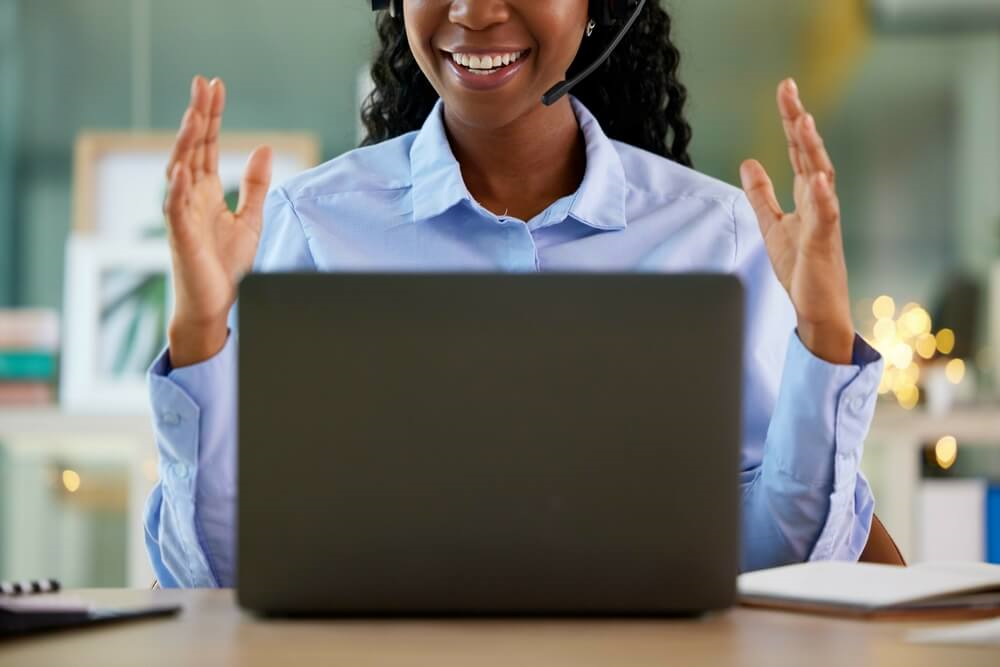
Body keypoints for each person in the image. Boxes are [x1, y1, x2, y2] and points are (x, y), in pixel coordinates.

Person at [144, 0, 883, 588]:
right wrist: (203, 331)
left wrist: (821, 332)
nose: (474, 10)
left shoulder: (717, 232)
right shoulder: (309, 226)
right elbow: (223, 576)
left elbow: (777, 559)